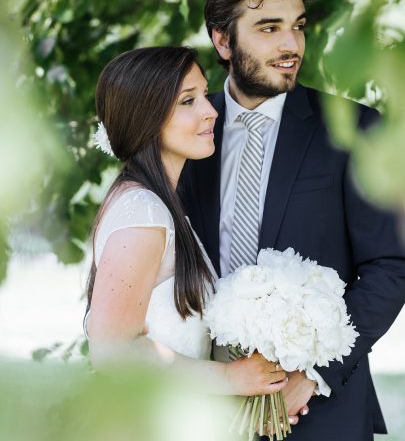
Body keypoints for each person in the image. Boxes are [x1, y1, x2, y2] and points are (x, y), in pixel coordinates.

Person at [180, 0, 405, 440]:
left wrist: (312, 376)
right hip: (200, 407)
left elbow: (391, 265)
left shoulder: (355, 129)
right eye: (269, 28)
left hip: (319, 412)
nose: (291, 45)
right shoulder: (186, 131)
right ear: (223, 40)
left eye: (298, 26)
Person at [84, 46, 294, 408]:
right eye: (187, 101)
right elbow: (112, 351)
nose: (211, 111)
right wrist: (232, 378)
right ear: (145, 115)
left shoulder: (161, 207)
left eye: (204, 95)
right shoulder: (143, 213)